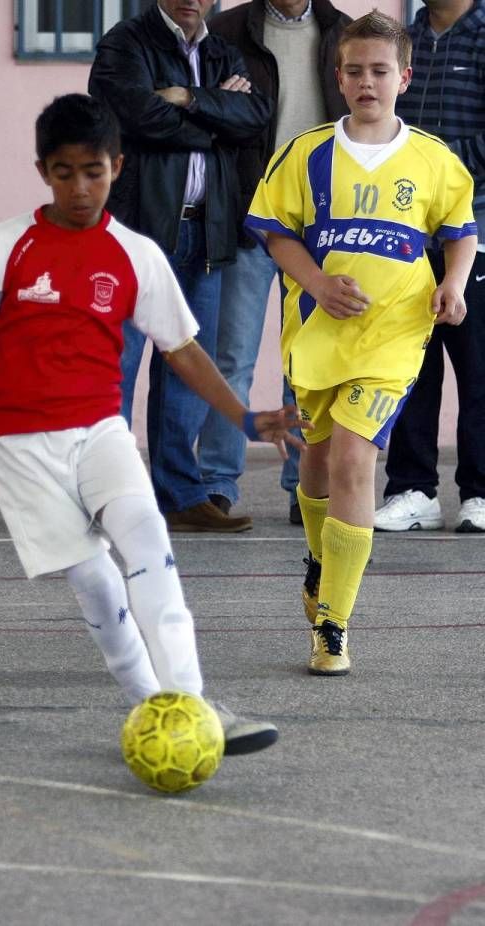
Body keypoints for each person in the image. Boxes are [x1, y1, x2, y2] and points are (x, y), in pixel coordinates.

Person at [0, 94, 306, 751]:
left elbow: (183, 351)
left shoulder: (136, 254)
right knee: (95, 580)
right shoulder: (6, 244)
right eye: (65, 172)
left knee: (150, 548)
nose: (81, 187)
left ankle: (195, 706)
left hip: (100, 433)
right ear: (43, 171)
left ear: (117, 167)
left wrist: (246, 418)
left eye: (93, 171)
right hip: (19, 446)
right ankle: (154, 706)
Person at [245, 12, 477, 675]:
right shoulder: (306, 152)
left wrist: (453, 284)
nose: (367, 82)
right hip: (318, 334)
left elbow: (459, 229)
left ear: (404, 77)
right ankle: (320, 560)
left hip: (395, 332)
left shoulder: (433, 158)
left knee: (353, 457)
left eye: (380, 71)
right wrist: (315, 281)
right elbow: (274, 230)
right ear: (338, 78)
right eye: (355, 71)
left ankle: (334, 625)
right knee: (317, 461)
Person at [88, 0, 273, 533]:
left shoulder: (221, 51)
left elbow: (254, 120)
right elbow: (137, 118)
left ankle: (180, 495)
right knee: (115, 368)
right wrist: (216, 119)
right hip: (138, 231)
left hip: (205, 229)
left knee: (187, 370)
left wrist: (188, 98)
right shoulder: (125, 44)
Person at [197, 0, 350, 527]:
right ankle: (217, 481)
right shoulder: (226, 31)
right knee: (231, 356)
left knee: (306, 364)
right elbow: (210, 118)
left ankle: (303, 485)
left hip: (323, 227)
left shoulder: (342, 33)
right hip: (251, 216)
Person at [373, 0, 485, 534]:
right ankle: (412, 489)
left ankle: (480, 493)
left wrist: (430, 165)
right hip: (410, 234)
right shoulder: (405, 38)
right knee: (410, 369)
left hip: (477, 230)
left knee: (480, 371)